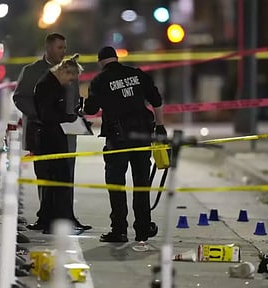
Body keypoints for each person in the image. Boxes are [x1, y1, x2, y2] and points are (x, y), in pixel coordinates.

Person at [83, 46, 167, 248]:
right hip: (142, 135)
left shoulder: (99, 80)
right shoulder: (136, 74)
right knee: (141, 183)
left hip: (117, 139)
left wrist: (83, 104)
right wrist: (161, 126)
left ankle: (119, 230)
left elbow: (91, 109)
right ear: (116, 58)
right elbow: (156, 100)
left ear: (100, 62)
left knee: (116, 184)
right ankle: (143, 229)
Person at [12, 33, 91, 232]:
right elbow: (20, 98)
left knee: (67, 175)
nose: (63, 51)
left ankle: (67, 216)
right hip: (42, 131)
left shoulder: (67, 70)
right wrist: (40, 115)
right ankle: (45, 218)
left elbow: (72, 99)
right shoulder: (32, 71)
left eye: (64, 47)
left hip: (67, 132)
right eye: (59, 47)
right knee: (46, 176)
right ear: (48, 48)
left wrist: (77, 114)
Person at [33, 54, 85, 234]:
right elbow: (48, 115)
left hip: (54, 137)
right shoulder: (48, 86)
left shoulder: (51, 84)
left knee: (53, 181)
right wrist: (69, 118)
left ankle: (49, 220)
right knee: (57, 180)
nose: (71, 81)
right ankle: (54, 223)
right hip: (51, 139)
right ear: (63, 71)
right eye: (71, 77)